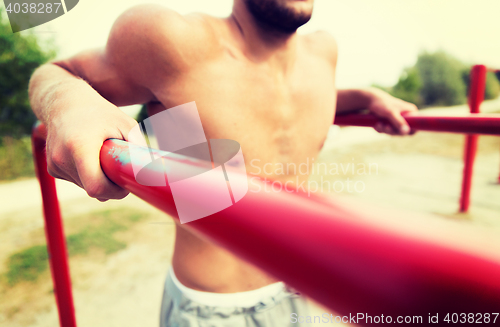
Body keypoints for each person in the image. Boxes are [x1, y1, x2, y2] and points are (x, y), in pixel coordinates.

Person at [29, 0, 417, 325]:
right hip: (212, 308)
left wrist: (367, 95)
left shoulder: (323, 53)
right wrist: (69, 106)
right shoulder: (171, 40)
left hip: (300, 290)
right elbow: (58, 72)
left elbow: (288, 96)